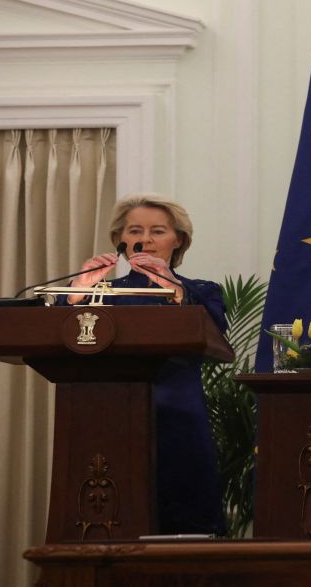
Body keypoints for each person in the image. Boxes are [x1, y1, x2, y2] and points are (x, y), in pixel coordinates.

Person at [61, 193, 226, 535]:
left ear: (178, 240)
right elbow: (57, 331)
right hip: (109, 413)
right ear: (120, 240)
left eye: (158, 231)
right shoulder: (100, 291)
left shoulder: (201, 291)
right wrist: (77, 291)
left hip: (178, 413)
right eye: (135, 231)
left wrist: (172, 287)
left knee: (185, 514)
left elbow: (214, 333)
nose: (145, 240)